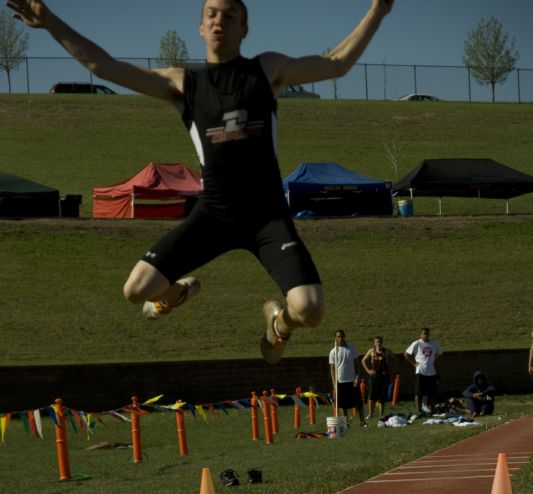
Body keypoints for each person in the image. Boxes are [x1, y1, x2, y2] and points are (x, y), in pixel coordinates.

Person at [7, 0, 396, 365]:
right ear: (199, 27)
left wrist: (378, 10)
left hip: (267, 216)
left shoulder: (267, 69)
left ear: (244, 28)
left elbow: (336, 63)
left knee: (310, 311)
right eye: (210, 14)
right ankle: (176, 294)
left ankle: (278, 324)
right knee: (135, 290)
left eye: (229, 15)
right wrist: (50, 22)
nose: (218, 21)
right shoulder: (184, 84)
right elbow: (104, 66)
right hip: (214, 213)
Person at [329, 330, 366, 427]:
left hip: (352, 380)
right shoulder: (333, 352)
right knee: (343, 405)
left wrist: (357, 377)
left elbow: (357, 365)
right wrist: (334, 383)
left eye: (342, 336)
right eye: (338, 336)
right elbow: (332, 369)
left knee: (358, 402)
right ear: (335, 338)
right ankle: (345, 423)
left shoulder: (351, 349)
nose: (340, 338)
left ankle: (363, 422)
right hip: (340, 381)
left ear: (345, 337)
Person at [404, 327, 443, 412]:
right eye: (424, 334)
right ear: (421, 334)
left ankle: (433, 410)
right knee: (418, 393)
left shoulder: (434, 343)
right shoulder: (417, 343)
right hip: (420, 371)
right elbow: (406, 354)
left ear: (429, 334)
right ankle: (419, 411)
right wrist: (414, 364)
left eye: (427, 334)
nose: (425, 335)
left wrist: (434, 361)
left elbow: (440, 353)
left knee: (432, 393)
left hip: (431, 372)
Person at [361, 335, 396, 419]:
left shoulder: (387, 351)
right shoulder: (371, 351)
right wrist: (368, 370)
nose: (378, 343)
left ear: (382, 342)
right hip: (374, 375)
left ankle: (381, 414)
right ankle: (370, 414)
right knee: (371, 395)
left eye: (380, 342)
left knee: (382, 396)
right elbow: (363, 360)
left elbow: (396, 360)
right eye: (377, 342)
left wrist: (391, 370)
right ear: (374, 343)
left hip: (383, 376)